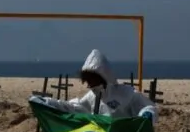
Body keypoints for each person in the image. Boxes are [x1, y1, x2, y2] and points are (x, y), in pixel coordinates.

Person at [29, 49, 158, 124]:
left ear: (102, 76)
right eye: (87, 80)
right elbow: (71, 108)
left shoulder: (125, 93)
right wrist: (47, 103)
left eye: (92, 79)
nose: (89, 83)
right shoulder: (91, 97)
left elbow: (148, 106)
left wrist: (147, 114)